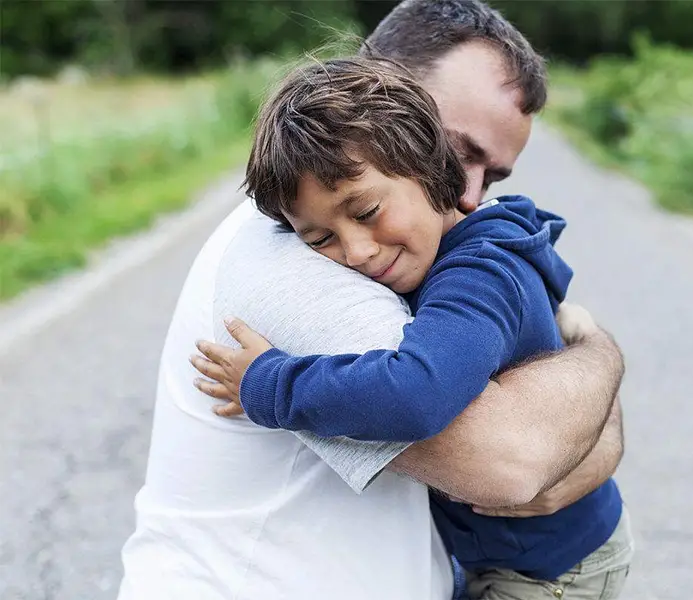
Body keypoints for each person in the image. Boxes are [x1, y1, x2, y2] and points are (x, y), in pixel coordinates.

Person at [118, 2, 627, 599]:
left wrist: (595, 367)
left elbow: (520, 440)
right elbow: (512, 462)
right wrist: (592, 357)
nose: (467, 196)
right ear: (392, 109)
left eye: (491, 177)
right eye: (457, 150)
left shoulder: (457, 254)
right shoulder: (294, 268)